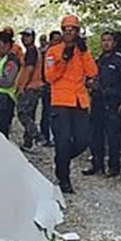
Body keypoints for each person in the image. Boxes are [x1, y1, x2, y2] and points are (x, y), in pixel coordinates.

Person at [44, 15, 97, 194]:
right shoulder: (53, 51)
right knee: (63, 141)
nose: (69, 33)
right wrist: (64, 61)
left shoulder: (82, 51)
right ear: (62, 31)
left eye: (73, 30)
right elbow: (50, 77)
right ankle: (64, 179)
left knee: (83, 140)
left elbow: (92, 72)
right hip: (60, 102)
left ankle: (61, 159)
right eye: (66, 30)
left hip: (79, 101)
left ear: (77, 32)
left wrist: (84, 52)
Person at [83, 32, 121, 177]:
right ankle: (97, 165)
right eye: (103, 40)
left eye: (109, 40)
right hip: (97, 102)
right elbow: (90, 77)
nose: (106, 43)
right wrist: (89, 84)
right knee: (95, 135)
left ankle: (113, 168)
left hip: (114, 103)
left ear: (115, 42)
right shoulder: (99, 60)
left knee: (113, 137)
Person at [16, 28, 44, 151]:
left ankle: (38, 137)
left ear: (33, 37)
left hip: (30, 87)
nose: (24, 38)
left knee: (22, 113)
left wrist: (22, 86)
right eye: (23, 36)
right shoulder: (33, 51)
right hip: (34, 87)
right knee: (30, 114)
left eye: (27, 36)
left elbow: (29, 69)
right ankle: (28, 143)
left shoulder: (31, 51)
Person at [38, 30, 62, 147]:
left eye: (59, 40)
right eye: (55, 40)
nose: (58, 43)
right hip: (48, 87)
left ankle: (57, 138)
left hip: (60, 89)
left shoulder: (64, 53)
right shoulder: (47, 54)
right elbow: (46, 71)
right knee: (47, 113)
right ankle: (45, 137)